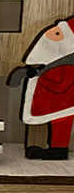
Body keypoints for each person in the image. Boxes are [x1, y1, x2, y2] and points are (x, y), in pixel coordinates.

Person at [8, 17, 74, 160]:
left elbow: (61, 85)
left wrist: (38, 77)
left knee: (61, 123)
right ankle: (58, 148)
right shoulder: (59, 63)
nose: (50, 36)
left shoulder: (67, 66)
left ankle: (59, 149)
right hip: (60, 105)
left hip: (62, 105)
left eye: (58, 34)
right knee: (60, 123)